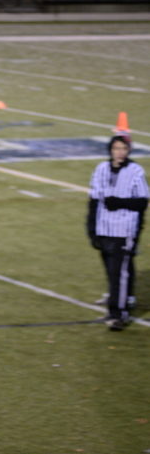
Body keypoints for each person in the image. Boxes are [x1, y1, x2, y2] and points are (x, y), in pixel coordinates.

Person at [87, 135, 148, 331]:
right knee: (112, 272)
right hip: (104, 228)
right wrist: (92, 229)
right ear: (110, 150)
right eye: (116, 148)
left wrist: (119, 202)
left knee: (119, 273)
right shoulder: (101, 169)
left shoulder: (135, 171)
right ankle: (120, 301)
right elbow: (94, 200)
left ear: (128, 150)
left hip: (124, 230)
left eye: (123, 148)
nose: (120, 152)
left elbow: (142, 201)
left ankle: (119, 314)